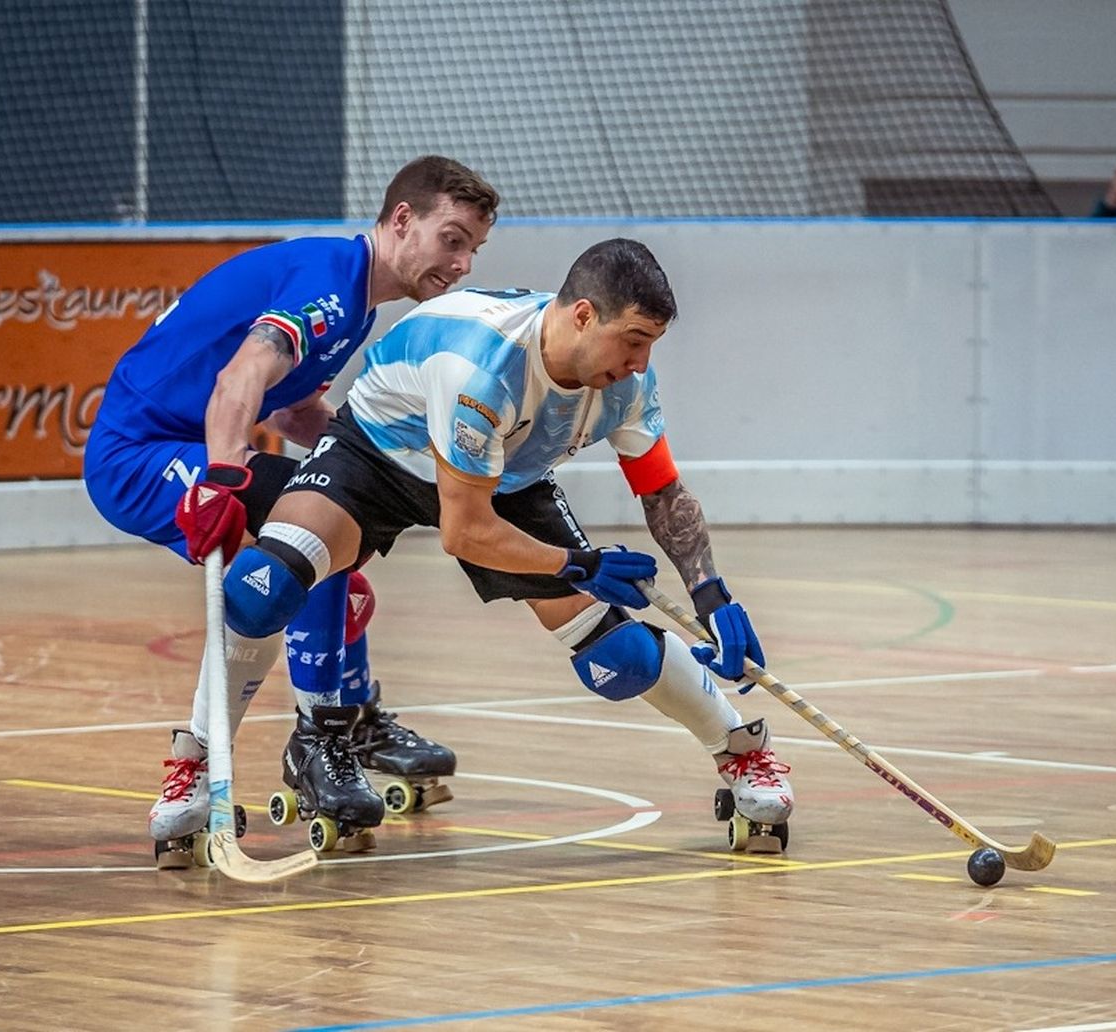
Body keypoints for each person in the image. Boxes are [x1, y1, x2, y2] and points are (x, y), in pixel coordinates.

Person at [218, 238, 794, 854]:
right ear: (582, 316)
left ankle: (742, 749)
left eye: (650, 344)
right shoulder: (485, 369)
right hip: (379, 453)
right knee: (264, 587)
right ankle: (203, 770)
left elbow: (663, 494)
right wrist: (581, 565)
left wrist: (712, 593)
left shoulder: (626, 382)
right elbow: (462, 532)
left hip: (505, 472)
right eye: (632, 340)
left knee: (617, 655)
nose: (640, 361)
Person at [83, 155, 500, 866]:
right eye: (452, 239)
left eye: (473, 250)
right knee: (318, 524)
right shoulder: (329, 290)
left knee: (337, 537)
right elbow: (240, 377)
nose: (461, 264)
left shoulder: (356, 298)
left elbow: (299, 408)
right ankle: (312, 740)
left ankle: (346, 722)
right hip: (142, 453)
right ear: (402, 221)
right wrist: (220, 477)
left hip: (185, 441)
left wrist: (384, 461)